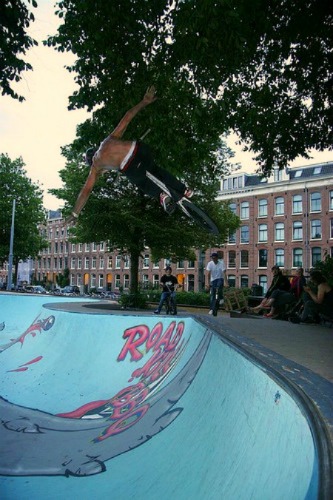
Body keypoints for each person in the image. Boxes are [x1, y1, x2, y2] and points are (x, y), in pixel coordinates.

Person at [66, 86, 193, 224]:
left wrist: (75, 213)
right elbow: (127, 118)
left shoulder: (96, 165)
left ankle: (161, 196)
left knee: (141, 182)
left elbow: (86, 191)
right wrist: (144, 102)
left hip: (132, 167)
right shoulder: (108, 140)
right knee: (157, 170)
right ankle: (184, 189)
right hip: (142, 151)